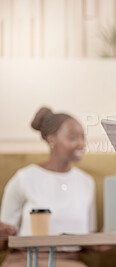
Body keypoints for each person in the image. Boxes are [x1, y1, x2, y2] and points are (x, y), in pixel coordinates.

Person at [0, 107, 96, 267]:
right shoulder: (24, 178)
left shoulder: (86, 182)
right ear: (52, 139)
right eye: (73, 138)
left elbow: (87, 241)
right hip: (25, 260)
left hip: (69, 262)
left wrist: (104, 240)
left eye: (83, 137)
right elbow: (3, 241)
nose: (81, 144)